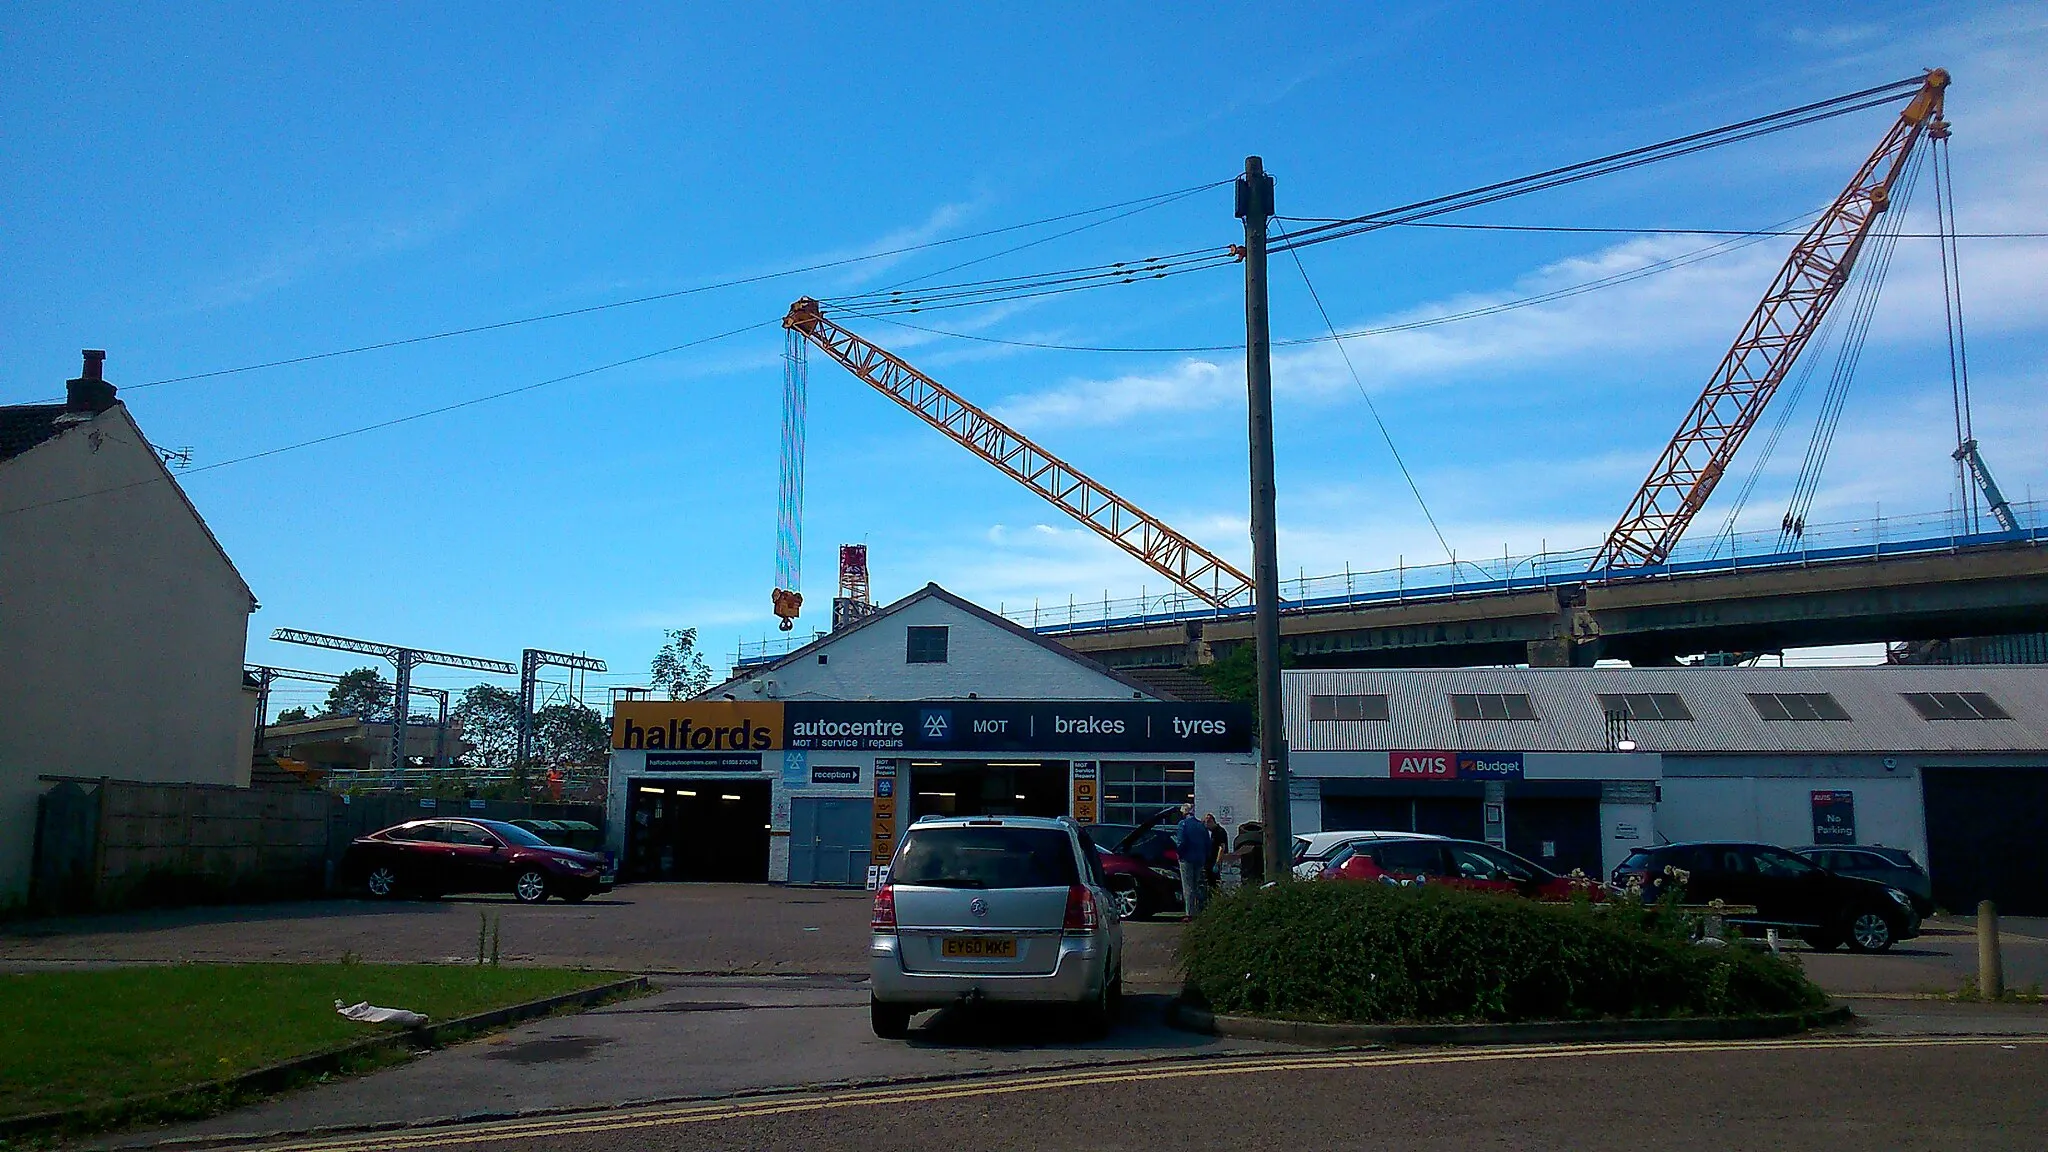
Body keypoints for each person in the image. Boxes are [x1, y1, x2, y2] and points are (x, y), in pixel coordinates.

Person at [1173, 802, 1209, 917]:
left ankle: (1190, 913)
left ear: (1184, 812)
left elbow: (1181, 842)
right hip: (1199, 858)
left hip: (1187, 858)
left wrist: (1179, 854)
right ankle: (1200, 910)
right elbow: (1208, 843)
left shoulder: (1183, 824)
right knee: (1197, 885)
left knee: (1188, 887)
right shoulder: (1201, 825)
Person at [1202, 813, 1227, 888]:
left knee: (1216, 883)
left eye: (1206, 824)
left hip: (1216, 861)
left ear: (1210, 822)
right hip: (1209, 862)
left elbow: (1221, 848)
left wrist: (1217, 863)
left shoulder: (1220, 832)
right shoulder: (1211, 833)